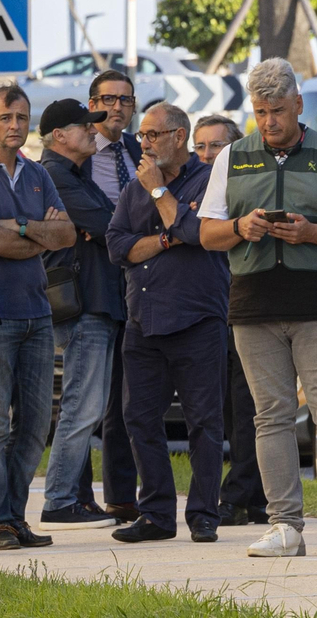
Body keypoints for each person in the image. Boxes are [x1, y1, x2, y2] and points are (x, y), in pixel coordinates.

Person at [199, 58, 317, 557]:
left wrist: (310, 233)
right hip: (252, 305)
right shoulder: (233, 155)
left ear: (298, 104)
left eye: (277, 112)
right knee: (270, 416)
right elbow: (206, 233)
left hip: (312, 303)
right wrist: (240, 228)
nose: (269, 122)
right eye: (260, 112)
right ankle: (286, 527)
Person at [0, 84, 76, 550]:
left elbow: (67, 235)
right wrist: (39, 233)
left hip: (38, 314)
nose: (14, 126)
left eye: (22, 118)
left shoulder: (38, 172)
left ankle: (16, 517)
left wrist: (22, 226)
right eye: (5, 118)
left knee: (35, 423)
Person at [105, 102, 227, 544]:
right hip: (143, 319)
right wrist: (163, 237)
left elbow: (197, 233)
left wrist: (160, 194)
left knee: (204, 423)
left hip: (197, 318)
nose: (145, 143)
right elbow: (116, 245)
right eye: (142, 136)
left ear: (179, 136)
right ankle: (156, 514)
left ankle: (203, 515)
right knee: (139, 419)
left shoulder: (211, 178)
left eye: (153, 135)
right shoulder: (136, 186)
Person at [37, 99, 126, 531]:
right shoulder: (53, 175)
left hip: (99, 299)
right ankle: (58, 500)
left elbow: (108, 224)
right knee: (82, 406)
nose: (95, 129)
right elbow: (112, 224)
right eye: (85, 125)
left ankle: (70, 497)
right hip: (85, 303)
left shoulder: (72, 175)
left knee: (88, 405)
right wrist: (97, 228)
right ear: (59, 136)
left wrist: (101, 228)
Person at [192, 115, 267, 525]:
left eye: (216, 146)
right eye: (200, 146)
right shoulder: (190, 187)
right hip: (207, 311)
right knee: (225, 407)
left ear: (234, 151)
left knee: (247, 405)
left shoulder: (246, 184)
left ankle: (242, 495)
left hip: (244, 305)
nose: (206, 155)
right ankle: (247, 494)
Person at [86, 69, 147, 524]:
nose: (117, 108)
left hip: (138, 285)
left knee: (127, 399)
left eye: (125, 100)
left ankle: (122, 496)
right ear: (92, 103)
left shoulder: (137, 152)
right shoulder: (79, 154)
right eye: (109, 99)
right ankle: (75, 494)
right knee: (88, 401)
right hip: (91, 288)